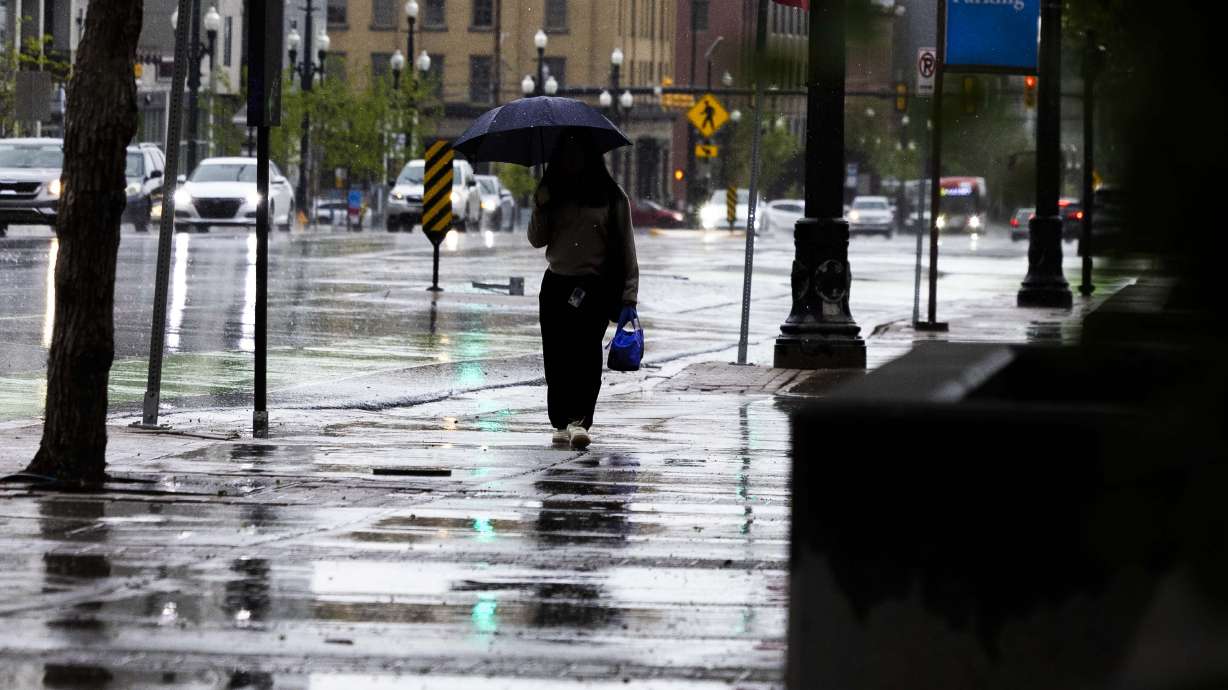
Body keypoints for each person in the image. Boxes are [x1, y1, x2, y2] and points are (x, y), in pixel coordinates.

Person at [528, 129, 639, 450]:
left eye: (577, 152)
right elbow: (536, 239)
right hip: (556, 285)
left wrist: (629, 296)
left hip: (593, 287)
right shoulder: (552, 193)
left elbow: (626, 249)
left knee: (586, 356)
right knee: (557, 357)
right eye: (566, 153)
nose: (571, 159)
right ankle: (559, 422)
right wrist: (540, 205)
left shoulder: (612, 197)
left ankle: (580, 420)